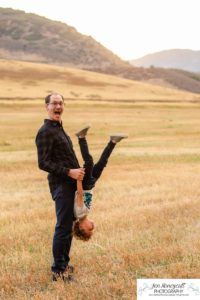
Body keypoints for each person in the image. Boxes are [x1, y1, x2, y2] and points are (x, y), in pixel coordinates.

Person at [35, 92, 85, 282]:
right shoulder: (45, 131)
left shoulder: (59, 128)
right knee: (63, 228)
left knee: (69, 227)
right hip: (61, 185)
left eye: (61, 103)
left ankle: (63, 264)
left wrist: (78, 172)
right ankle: (58, 272)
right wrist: (69, 172)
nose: (58, 106)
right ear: (46, 106)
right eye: (54, 103)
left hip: (71, 185)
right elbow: (43, 163)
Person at [73, 126, 128, 241]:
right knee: (102, 163)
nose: (92, 228)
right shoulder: (84, 213)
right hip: (90, 184)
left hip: (85, 184)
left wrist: (79, 179)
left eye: (90, 230)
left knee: (89, 162)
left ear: (82, 228)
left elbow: (79, 194)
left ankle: (81, 137)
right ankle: (113, 141)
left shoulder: (80, 213)